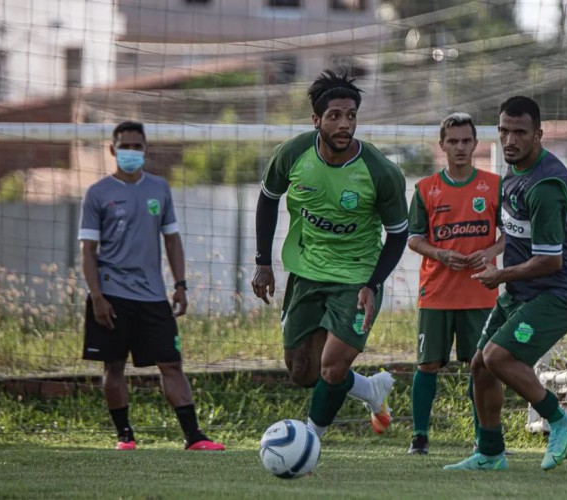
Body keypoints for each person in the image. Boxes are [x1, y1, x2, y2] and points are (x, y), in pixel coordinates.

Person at [251, 70, 409, 438]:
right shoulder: (292, 155)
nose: (344, 124)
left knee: (333, 369)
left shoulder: (380, 171)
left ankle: (309, 443)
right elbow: (267, 200)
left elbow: (398, 236)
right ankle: (371, 390)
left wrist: (373, 284)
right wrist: (263, 263)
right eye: (335, 115)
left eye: (351, 115)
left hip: (357, 276)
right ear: (316, 120)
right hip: (306, 272)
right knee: (302, 371)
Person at [444, 96, 567, 471]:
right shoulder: (514, 173)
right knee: (480, 366)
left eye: (520, 132)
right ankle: (490, 454)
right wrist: (494, 252)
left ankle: (560, 421)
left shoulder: (545, 185)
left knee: (497, 357)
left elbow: (551, 260)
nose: (510, 139)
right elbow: (516, 233)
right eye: (504, 130)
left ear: (538, 135)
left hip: (559, 292)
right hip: (525, 290)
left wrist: (500, 274)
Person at [79, 121, 225, 451]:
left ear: (146, 150)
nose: (131, 152)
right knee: (114, 365)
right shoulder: (97, 193)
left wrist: (181, 285)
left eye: (137, 146)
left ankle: (193, 437)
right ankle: (125, 437)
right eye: (125, 146)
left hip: (153, 296)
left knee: (171, 363)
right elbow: (87, 250)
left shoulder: (159, 188)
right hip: (112, 294)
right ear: (112, 149)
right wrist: (97, 296)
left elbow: (172, 240)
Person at [406, 112, 503, 455]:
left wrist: (490, 251)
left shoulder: (493, 186)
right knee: (427, 364)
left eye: (466, 141)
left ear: (476, 144)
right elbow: (413, 238)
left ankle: (484, 436)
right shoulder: (425, 189)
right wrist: (441, 254)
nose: (460, 147)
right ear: (442, 145)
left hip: (480, 291)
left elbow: (512, 234)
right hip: (436, 292)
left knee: (480, 366)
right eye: (453, 141)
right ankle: (419, 436)